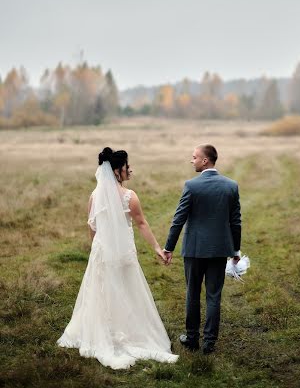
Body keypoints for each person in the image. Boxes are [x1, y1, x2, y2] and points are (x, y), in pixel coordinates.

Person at [57, 147, 178, 369]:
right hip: (123, 252)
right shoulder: (129, 196)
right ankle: (126, 331)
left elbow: (92, 227)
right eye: (126, 166)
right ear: (116, 171)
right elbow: (141, 223)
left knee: (101, 292)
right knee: (127, 290)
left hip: (102, 252)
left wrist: (96, 248)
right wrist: (157, 248)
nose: (130, 169)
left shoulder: (94, 196)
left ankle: (106, 330)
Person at [164, 144, 241, 354]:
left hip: (194, 249)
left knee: (193, 293)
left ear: (205, 160)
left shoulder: (191, 186)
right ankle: (209, 343)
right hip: (219, 250)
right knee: (214, 295)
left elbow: (178, 219)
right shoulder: (231, 186)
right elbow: (236, 222)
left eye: (195, 157)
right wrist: (235, 251)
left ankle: (191, 338)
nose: (192, 160)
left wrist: (168, 247)